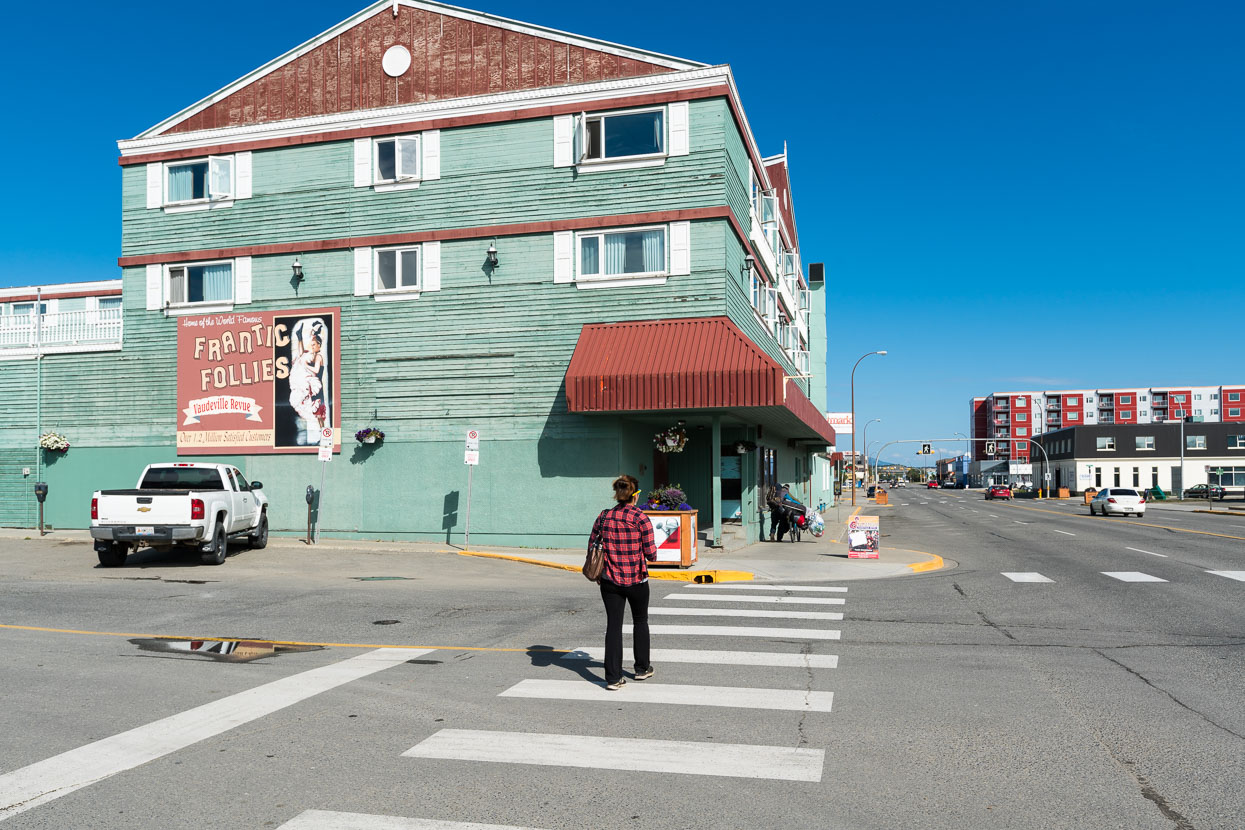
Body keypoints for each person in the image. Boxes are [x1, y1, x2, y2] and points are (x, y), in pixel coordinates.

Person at [588, 474, 657, 690]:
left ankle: (613, 678)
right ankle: (642, 669)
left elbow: (592, 545)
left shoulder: (604, 516)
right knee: (640, 621)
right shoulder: (640, 518)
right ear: (635, 495)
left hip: (609, 580)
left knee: (614, 626)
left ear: (617, 494)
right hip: (636, 579)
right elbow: (651, 554)